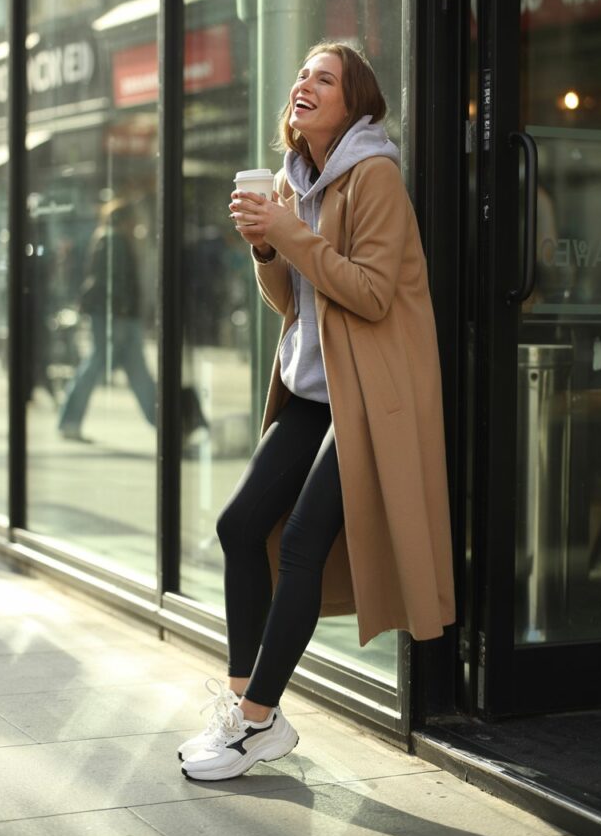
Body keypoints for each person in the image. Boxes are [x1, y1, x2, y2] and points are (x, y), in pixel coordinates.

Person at [179, 41, 455, 782]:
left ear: (354, 102)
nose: (305, 82)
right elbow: (293, 304)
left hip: (367, 397)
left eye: (324, 77)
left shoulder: (375, 176)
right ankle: (245, 710)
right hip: (312, 390)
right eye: (301, 73)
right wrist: (266, 250)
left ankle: (259, 721)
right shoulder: (293, 178)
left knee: (301, 542)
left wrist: (287, 234)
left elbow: (369, 294)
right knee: (239, 527)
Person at [58, 199, 157, 440]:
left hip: (117, 315)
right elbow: (115, 282)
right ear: (126, 220)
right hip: (118, 316)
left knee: (134, 371)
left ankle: (165, 424)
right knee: (99, 366)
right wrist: (124, 314)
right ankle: (69, 420)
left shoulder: (108, 238)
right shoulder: (114, 240)